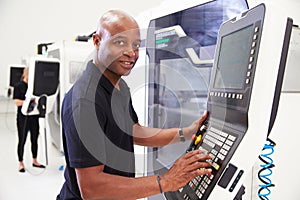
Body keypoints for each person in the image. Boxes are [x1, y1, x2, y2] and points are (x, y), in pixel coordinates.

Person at [56, 10, 212, 200]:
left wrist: (185, 133)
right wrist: (167, 180)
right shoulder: (85, 101)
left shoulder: (119, 85)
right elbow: (92, 189)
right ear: (97, 41)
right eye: (120, 42)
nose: (131, 53)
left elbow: (133, 131)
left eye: (136, 45)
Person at [13, 67, 46, 173]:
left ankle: (35, 160)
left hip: (34, 116)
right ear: (25, 74)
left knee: (34, 138)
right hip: (23, 117)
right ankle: (21, 163)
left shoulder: (34, 87)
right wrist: (28, 102)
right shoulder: (18, 86)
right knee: (22, 140)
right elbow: (17, 101)